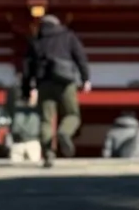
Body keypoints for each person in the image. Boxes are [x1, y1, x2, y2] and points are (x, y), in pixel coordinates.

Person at [24, 12, 91, 166]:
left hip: (44, 83)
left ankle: (48, 153)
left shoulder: (36, 40)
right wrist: (85, 78)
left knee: (46, 120)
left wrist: (27, 89)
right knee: (72, 114)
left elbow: (28, 68)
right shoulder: (68, 36)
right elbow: (80, 56)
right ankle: (64, 132)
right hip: (66, 82)